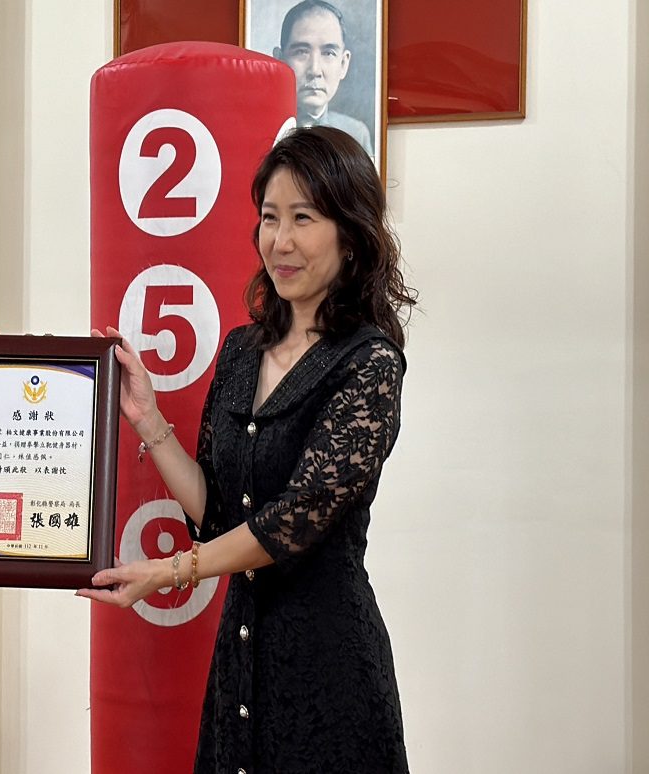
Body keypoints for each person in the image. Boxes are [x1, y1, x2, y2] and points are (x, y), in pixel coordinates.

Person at [81, 126, 415, 773]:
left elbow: (294, 519)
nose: (280, 240)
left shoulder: (370, 363)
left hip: (329, 667)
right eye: (269, 217)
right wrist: (148, 419)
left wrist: (166, 572)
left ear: (350, 234)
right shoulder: (241, 350)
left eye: (303, 218)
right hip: (240, 662)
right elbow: (217, 513)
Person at [274, 0, 373, 154]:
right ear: (280, 61)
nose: (315, 70)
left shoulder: (355, 135)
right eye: (301, 52)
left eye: (328, 53)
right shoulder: (261, 130)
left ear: (343, 64)